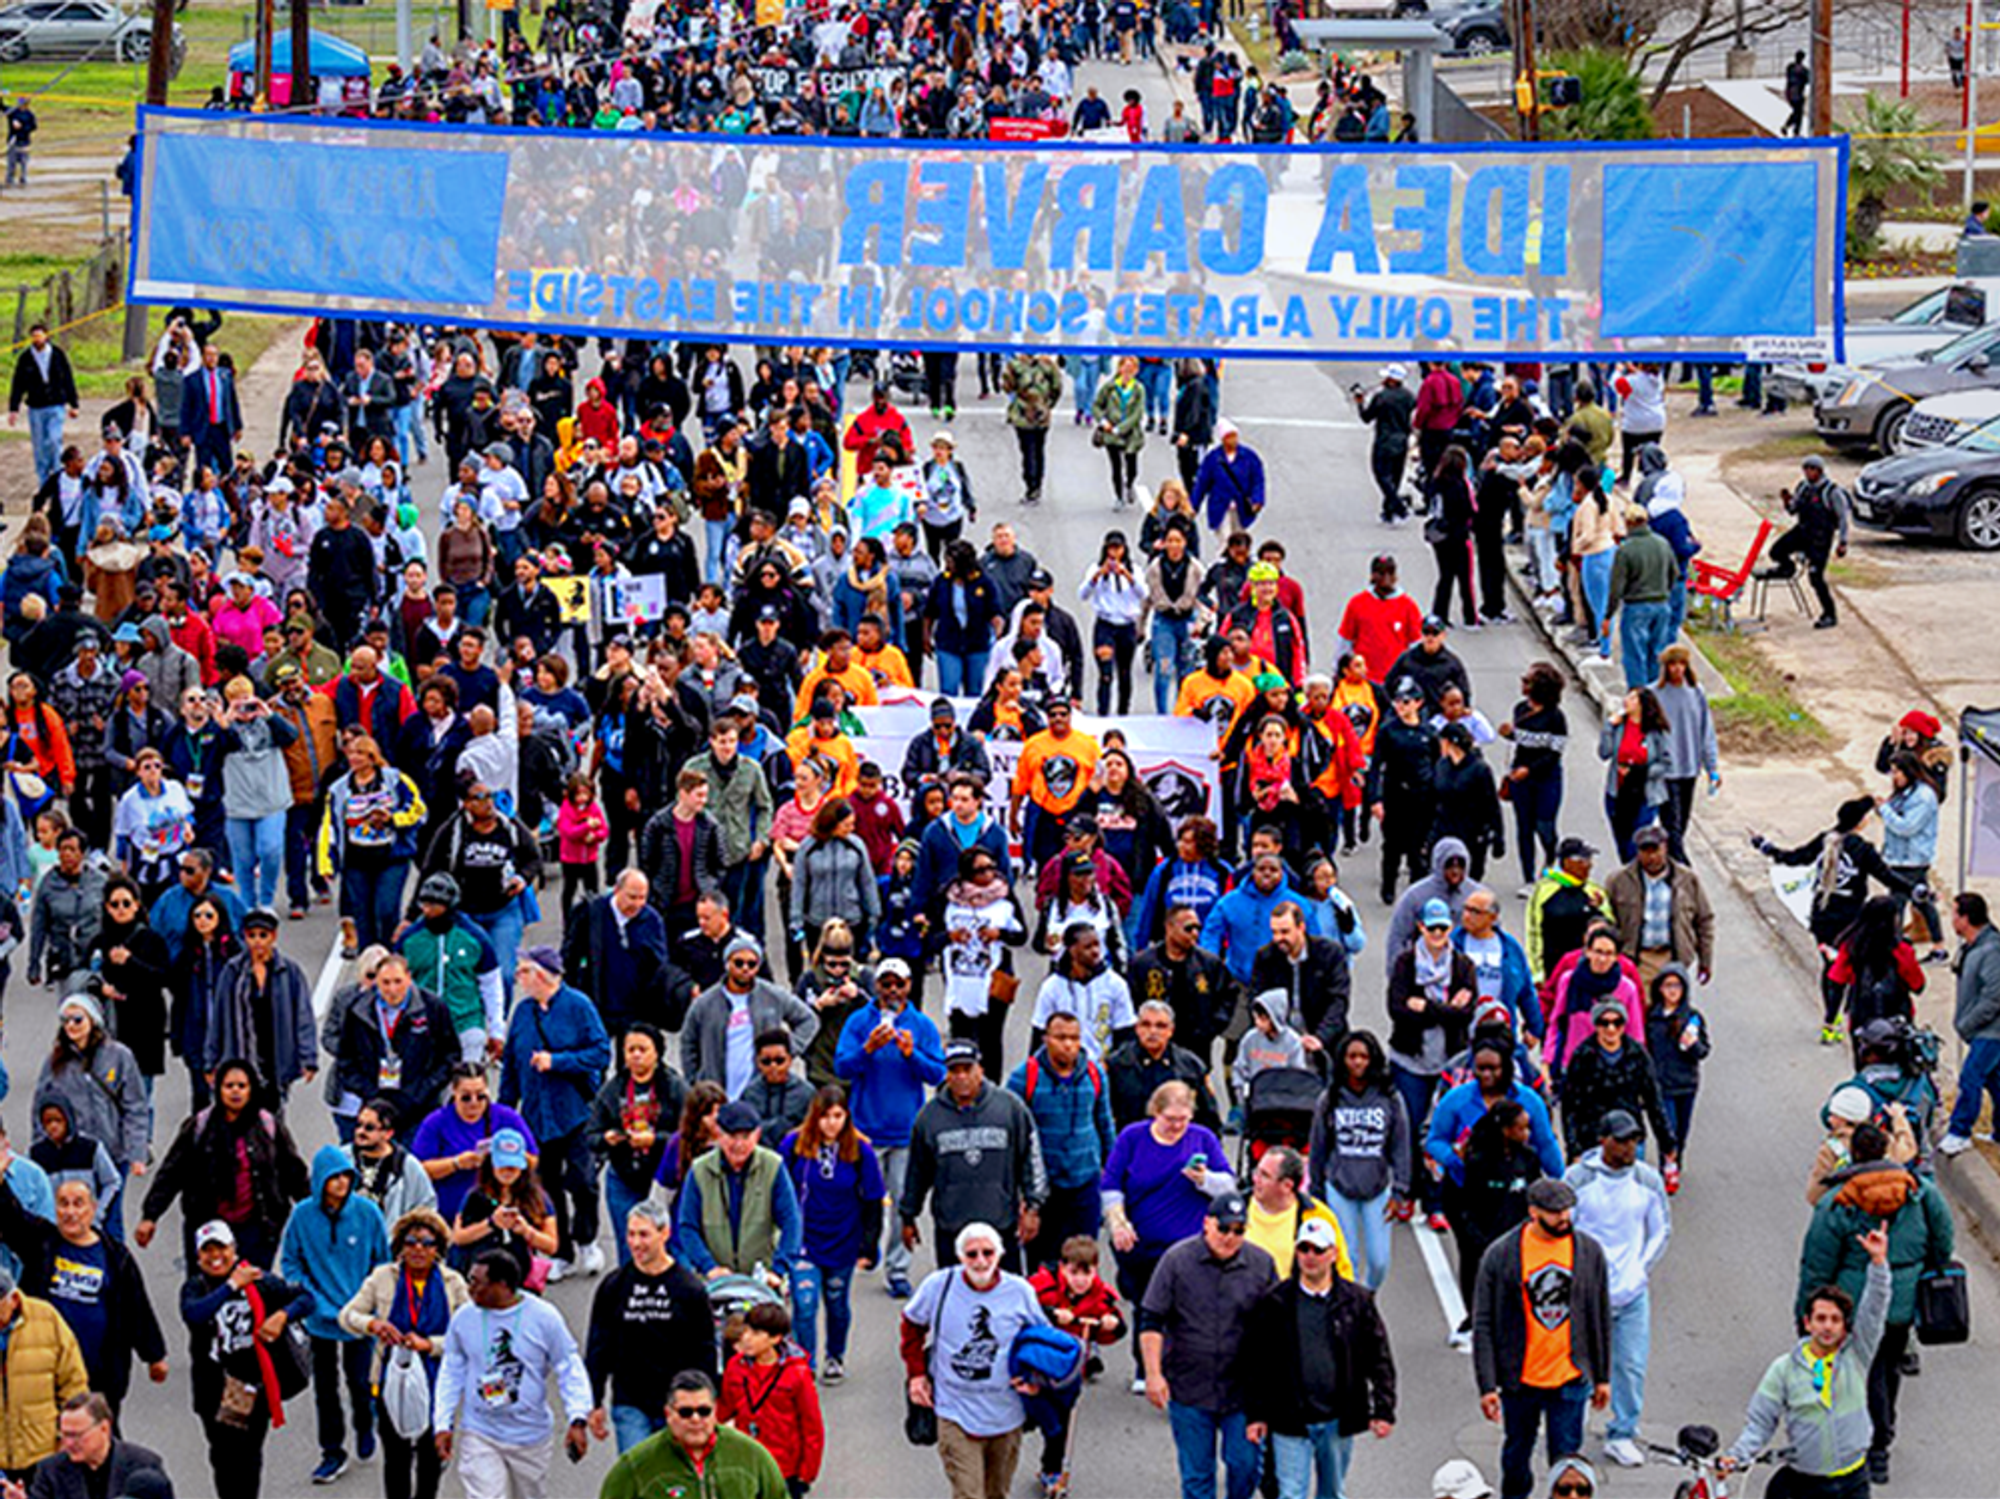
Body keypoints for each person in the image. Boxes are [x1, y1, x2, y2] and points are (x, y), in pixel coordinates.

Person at [1794, 1122, 1954, 1487]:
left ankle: (1873, 1448)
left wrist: (1806, 1310)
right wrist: (1928, 1267)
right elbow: (1943, 1235)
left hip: (1856, 1303)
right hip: (1903, 1303)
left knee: (1863, 1376)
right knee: (1890, 1368)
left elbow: (1817, 1263)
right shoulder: (1919, 1189)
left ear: (1856, 1154)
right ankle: (1884, 1436)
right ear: (1884, 1151)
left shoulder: (1838, 1200)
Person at [1470, 1179, 1612, 1499]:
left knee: (1566, 1463)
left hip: (1570, 1379)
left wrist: (1603, 1377)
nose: (1564, 1218)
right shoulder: (1501, 1255)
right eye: (1554, 1212)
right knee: (1516, 1459)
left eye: (1566, 1210)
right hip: (1520, 1381)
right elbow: (1484, 1323)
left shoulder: (1587, 1252)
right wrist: (1487, 1385)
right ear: (1533, 1211)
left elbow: (1599, 1316)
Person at [1722, 1226, 1890, 1494]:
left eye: (1835, 1320)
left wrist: (1879, 1263)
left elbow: (1875, 1309)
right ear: (1807, 1323)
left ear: (1845, 1327)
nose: (1827, 1326)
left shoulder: (1857, 1356)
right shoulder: (1783, 1370)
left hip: (1853, 1482)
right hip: (1804, 1484)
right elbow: (1760, 1422)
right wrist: (1737, 1456)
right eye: (1820, 1318)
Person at [1242, 1215, 1397, 1499]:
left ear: (1334, 1254)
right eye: (1304, 1249)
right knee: (1290, 1494)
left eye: (1318, 1250)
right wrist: (1257, 1414)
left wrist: (1383, 1408)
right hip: (1289, 1418)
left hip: (1338, 1418)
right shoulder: (1275, 1301)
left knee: (1332, 1494)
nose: (1310, 1257)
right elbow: (1257, 1363)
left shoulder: (1357, 1301)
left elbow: (1379, 1358)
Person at [1140, 1191, 1277, 1499]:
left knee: (1245, 1465)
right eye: (1223, 1228)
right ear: (1206, 1224)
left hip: (1243, 1392)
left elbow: (1276, 1329)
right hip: (1190, 1389)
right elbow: (1151, 1319)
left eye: (1238, 1230)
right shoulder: (1176, 1261)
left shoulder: (1261, 1264)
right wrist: (1153, 1374)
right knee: (1197, 1477)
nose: (1230, 1237)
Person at [900, 1221, 1047, 1499]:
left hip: (1006, 1414)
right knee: (968, 1494)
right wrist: (916, 1374)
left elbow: (1040, 1342)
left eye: (987, 1253)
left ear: (1000, 1254)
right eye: (972, 1254)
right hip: (955, 1411)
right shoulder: (938, 1286)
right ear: (959, 1257)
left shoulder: (1020, 1291)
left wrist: (1034, 1378)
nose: (980, 1261)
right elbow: (911, 1325)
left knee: (997, 1493)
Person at [432, 1250, 592, 1499]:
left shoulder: (544, 1317)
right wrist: (443, 1423)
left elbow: (568, 1367)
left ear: (502, 1285)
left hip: (529, 1437)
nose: (469, 1287)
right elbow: (451, 1371)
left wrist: (578, 1418)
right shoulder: (464, 1318)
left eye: (476, 1281)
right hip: (480, 1431)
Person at [1562, 1112, 1670, 1470]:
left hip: (1631, 1294)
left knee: (1630, 1365)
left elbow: (1660, 1230)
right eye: (1622, 1140)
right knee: (1579, 1365)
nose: (1630, 1147)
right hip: (1585, 1296)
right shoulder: (1578, 1180)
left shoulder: (1647, 1180)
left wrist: (1640, 1269)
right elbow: (1564, 1230)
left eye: (1635, 1140)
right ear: (1603, 1140)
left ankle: (1622, 1433)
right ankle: (1571, 1431)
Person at [336, 1207, 467, 1499]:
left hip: (437, 1381)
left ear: (438, 1249)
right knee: (396, 1457)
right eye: (411, 1242)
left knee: (430, 1457)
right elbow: (347, 1315)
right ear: (400, 1246)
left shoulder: (453, 1283)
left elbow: (468, 1338)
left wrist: (429, 1345)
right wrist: (374, 1324)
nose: (418, 1249)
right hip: (389, 1380)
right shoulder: (383, 1277)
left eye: (426, 1243)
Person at [498, 946, 612, 1280]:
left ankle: (587, 1238)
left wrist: (557, 1061)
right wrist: (505, 1115)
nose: (518, 978)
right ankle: (559, 1250)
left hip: (575, 1112)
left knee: (583, 1180)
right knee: (545, 1187)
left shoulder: (578, 1006)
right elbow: (510, 1067)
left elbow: (600, 1052)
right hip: (535, 1116)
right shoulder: (522, 1013)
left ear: (541, 975)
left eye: (522, 972)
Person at [583, 1202, 717, 1454]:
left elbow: (705, 1351)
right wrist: (593, 1400)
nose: (635, 1243)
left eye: (643, 1234)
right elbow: (598, 1346)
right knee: (639, 1478)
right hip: (630, 1401)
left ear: (664, 1233)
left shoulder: (689, 1289)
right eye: (631, 1234)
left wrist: (706, 1403)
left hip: (679, 1403)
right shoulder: (613, 1286)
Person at [901, 1040, 1046, 1272]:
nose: (961, 1077)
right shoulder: (929, 1118)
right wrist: (908, 1216)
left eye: (967, 1069)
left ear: (981, 1070)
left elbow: (1031, 1159)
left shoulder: (1010, 1109)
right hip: (952, 1230)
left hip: (1000, 1226)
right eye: (954, 1071)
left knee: (1005, 1301)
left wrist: (1033, 1207)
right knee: (956, 1302)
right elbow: (917, 1172)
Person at [1387, 899, 1478, 1227]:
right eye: (1432, 927)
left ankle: (1436, 1202)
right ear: (1421, 927)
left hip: (1449, 1062)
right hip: (1410, 1060)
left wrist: (1424, 1007)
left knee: (1443, 1132)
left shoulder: (1463, 965)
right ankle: (1407, 1194)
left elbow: (1466, 1015)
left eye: (1443, 927)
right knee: (1410, 1129)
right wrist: (1444, 1009)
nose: (1438, 933)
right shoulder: (1405, 963)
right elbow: (1396, 1008)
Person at [1006, 1012, 1114, 1271]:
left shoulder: (1094, 1074)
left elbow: (1105, 1124)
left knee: (1082, 1263)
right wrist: (1022, 1195)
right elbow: (1012, 1136)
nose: (1068, 1044)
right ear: (1046, 1039)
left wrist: (1113, 1175)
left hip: (1084, 1184)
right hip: (1044, 1189)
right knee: (1040, 1266)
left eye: (1074, 1038)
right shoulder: (1025, 1077)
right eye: (1061, 1037)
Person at [1309, 1030, 1411, 1291]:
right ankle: (1351, 1308)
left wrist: (1400, 1190)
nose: (1357, 1062)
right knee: (1347, 1257)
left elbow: (1400, 1145)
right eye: (1352, 1056)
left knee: (1379, 1260)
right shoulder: (1330, 1098)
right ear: (1342, 1059)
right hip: (1339, 1186)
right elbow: (1319, 1146)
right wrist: (1316, 1189)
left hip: (1377, 1189)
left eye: (1364, 1056)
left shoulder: (1390, 1098)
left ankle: (1366, 1296)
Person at [598, 1368, 789, 1499]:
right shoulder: (635, 1466)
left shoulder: (751, 1455)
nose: (695, 1419)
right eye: (685, 1412)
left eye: (704, 1411)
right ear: (668, 1414)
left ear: (715, 1411)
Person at [681, 936, 818, 1096]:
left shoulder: (773, 995)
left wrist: (786, 1051)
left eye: (752, 964)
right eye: (738, 963)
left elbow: (808, 1020)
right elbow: (688, 1041)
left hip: (760, 1092)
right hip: (717, 1092)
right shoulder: (705, 1003)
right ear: (727, 963)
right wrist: (694, 1081)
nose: (745, 968)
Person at [1605, 823, 1715, 991]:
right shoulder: (1618, 881)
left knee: (1671, 1010)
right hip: (1637, 958)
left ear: (1665, 848)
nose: (1651, 857)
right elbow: (1607, 921)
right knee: (1643, 1009)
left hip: (1673, 958)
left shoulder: (1687, 880)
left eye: (1655, 850)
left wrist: (1705, 961)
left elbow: (1704, 921)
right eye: (1645, 851)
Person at [11, 1391, 171, 1499]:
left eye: (76, 1435)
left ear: (104, 1428)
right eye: (64, 1435)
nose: (68, 1443)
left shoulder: (143, 1465)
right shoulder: (50, 1470)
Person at [1754, 456, 1848, 629]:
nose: (1808, 472)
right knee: (1776, 551)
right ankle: (1787, 568)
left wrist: (1843, 542)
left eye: (1812, 469)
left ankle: (1829, 614)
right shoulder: (1803, 488)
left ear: (1820, 471)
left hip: (1820, 539)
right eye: (1806, 469)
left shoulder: (1831, 492)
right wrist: (1787, 500)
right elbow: (1793, 509)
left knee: (1815, 578)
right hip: (1802, 532)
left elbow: (1843, 518)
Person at [1941, 892, 2000, 1155]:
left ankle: (1959, 1132)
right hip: (1981, 1029)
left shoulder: (1991, 950)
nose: (1951, 919)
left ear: (1965, 918)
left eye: (1954, 913)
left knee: (1971, 1076)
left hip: (1992, 1031)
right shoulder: (1972, 946)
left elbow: (1994, 996)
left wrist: (1967, 1023)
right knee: (1995, 1080)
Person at [1782, 47, 1809, 136]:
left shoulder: (1790, 67)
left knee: (1797, 112)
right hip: (1798, 94)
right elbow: (1808, 80)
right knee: (1798, 113)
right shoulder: (1804, 70)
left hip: (1789, 92)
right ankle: (1794, 130)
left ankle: (1789, 127)